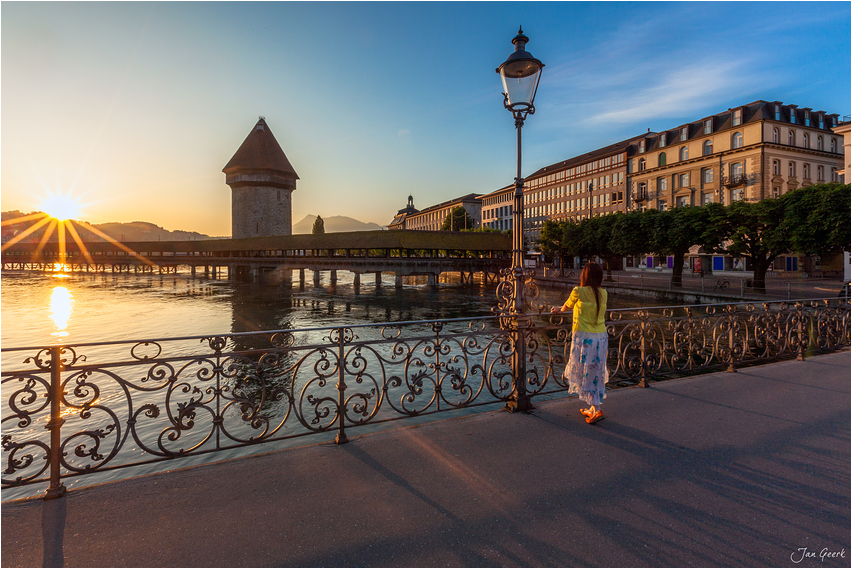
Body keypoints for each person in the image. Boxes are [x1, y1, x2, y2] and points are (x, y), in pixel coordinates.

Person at [550, 262, 609, 424]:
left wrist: (557, 309)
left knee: (586, 372)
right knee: (596, 372)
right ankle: (592, 406)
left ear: (584, 276)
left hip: (585, 339)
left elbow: (566, 306)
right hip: (601, 338)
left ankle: (596, 409)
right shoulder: (604, 293)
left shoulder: (578, 291)